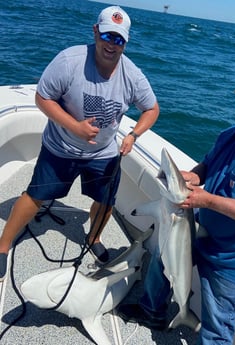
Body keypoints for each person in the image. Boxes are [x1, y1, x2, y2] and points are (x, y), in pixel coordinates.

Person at [117, 72, 235, 344]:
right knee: (159, 258)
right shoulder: (229, 136)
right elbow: (207, 168)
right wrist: (190, 177)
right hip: (199, 232)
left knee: (216, 327)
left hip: (233, 260)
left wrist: (205, 200)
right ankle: (152, 311)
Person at [0, 6, 159, 281]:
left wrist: (133, 135)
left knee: (106, 201)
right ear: (96, 31)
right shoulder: (69, 61)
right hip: (61, 146)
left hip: (104, 152)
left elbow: (152, 109)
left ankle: (94, 237)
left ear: (126, 42)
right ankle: (2, 247)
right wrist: (74, 126)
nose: (112, 44)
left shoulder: (132, 75)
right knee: (35, 196)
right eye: (108, 36)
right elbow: (43, 97)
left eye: (119, 39)